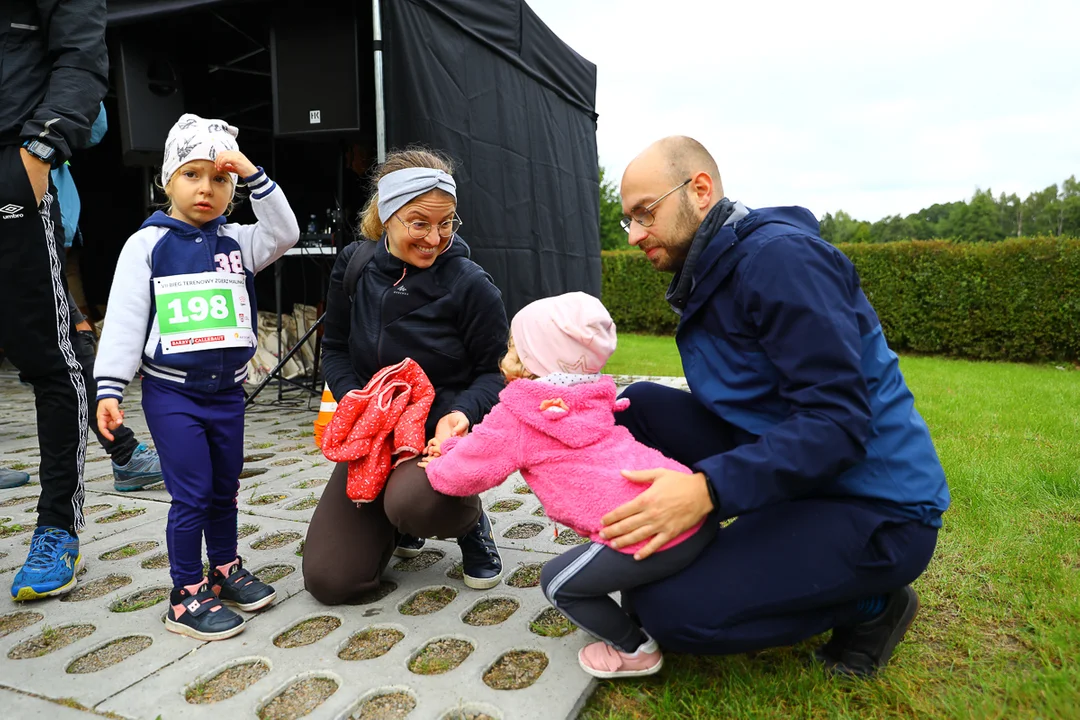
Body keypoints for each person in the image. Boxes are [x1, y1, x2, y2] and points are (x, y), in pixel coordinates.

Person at [599, 136, 951, 678]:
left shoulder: (781, 261)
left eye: (645, 213)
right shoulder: (712, 269)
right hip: (803, 470)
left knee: (665, 612)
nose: (636, 235)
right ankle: (663, 537)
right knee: (635, 406)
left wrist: (707, 490)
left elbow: (837, 423)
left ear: (700, 190)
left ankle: (875, 604)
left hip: (875, 504)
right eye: (628, 220)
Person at [423, 292, 718, 678]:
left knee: (560, 583)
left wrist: (441, 457)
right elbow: (485, 446)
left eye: (514, 350)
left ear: (532, 367)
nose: (504, 359)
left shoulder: (518, 414)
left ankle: (636, 651)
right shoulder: (588, 396)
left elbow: (463, 473)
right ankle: (645, 615)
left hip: (648, 529)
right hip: (692, 506)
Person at [94, 114, 299, 640]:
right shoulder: (147, 246)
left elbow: (286, 231)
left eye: (220, 178)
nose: (206, 188)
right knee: (192, 492)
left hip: (227, 395)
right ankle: (185, 594)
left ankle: (224, 568)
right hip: (172, 395)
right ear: (167, 180)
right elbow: (124, 317)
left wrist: (253, 173)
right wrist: (110, 387)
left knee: (224, 489)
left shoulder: (239, 242)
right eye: (192, 174)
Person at [303, 147, 508, 604]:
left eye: (447, 222)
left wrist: (459, 414)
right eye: (419, 222)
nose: (435, 238)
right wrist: (360, 402)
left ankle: (469, 522)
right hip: (377, 433)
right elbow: (334, 348)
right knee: (332, 581)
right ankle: (395, 527)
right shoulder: (354, 266)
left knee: (415, 502)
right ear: (387, 216)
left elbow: (497, 375)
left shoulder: (471, 285)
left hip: (437, 436)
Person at [2, 0, 108, 601]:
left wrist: (41, 149)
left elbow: (81, 55)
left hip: (13, 160)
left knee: (48, 356)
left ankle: (55, 528)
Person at [55, 102, 164, 491]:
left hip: (55, 237)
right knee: (72, 340)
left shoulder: (60, 83)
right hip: (22, 230)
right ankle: (126, 453)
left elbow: (93, 128)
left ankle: (125, 453)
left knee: (70, 340)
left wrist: (86, 75)